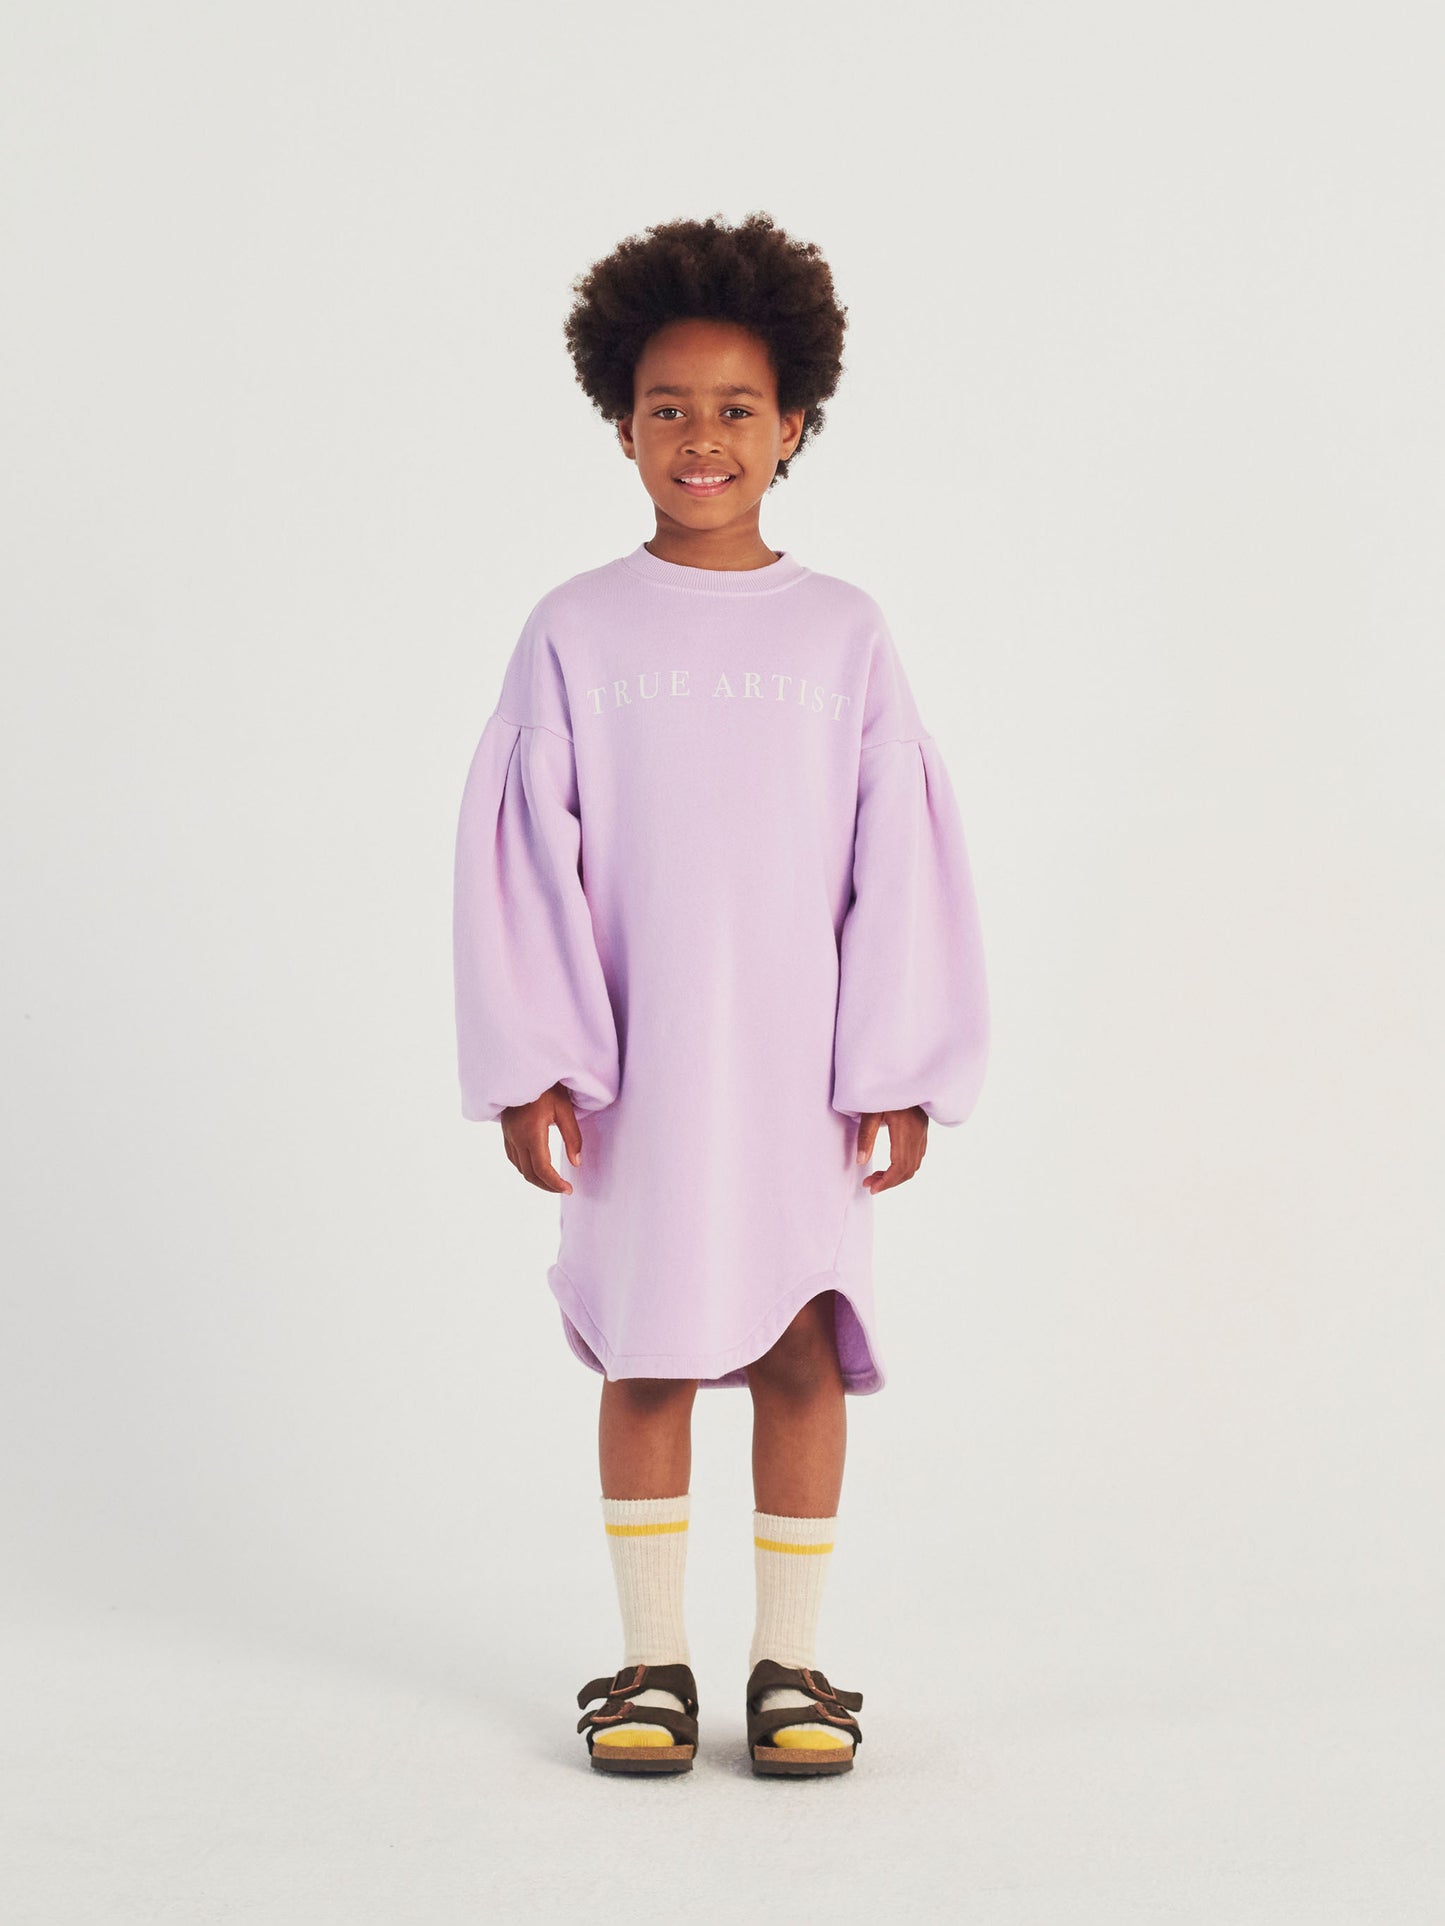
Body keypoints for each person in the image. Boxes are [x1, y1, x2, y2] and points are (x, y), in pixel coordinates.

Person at [452, 212, 989, 1777]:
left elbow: (896, 859)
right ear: (621, 425)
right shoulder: (575, 629)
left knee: (801, 1346)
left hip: (795, 1076)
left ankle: (791, 1666)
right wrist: (535, 1059)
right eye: (668, 408)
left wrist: (897, 1065)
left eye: (737, 408)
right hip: (638, 1074)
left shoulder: (841, 633)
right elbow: (524, 857)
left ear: (795, 423)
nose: (702, 437)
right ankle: (648, 1665)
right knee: (648, 1352)